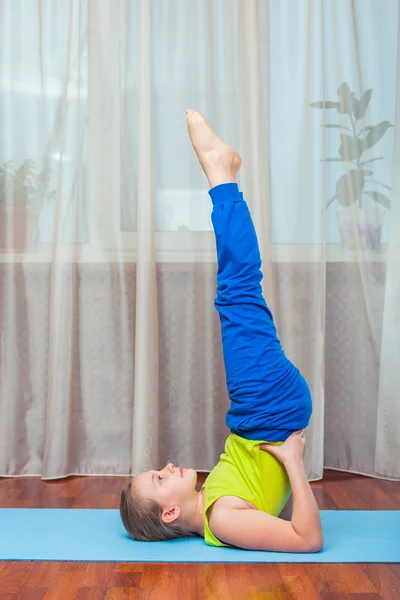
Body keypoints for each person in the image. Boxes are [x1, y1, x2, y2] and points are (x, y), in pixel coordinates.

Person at [119, 110, 323, 553]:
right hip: (269, 413)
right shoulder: (224, 520)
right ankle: (220, 174)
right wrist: (292, 464)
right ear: (169, 513)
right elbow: (307, 540)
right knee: (237, 290)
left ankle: (222, 173)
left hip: (257, 414)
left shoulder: (211, 503)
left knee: (237, 292)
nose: (168, 466)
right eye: (159, 477)